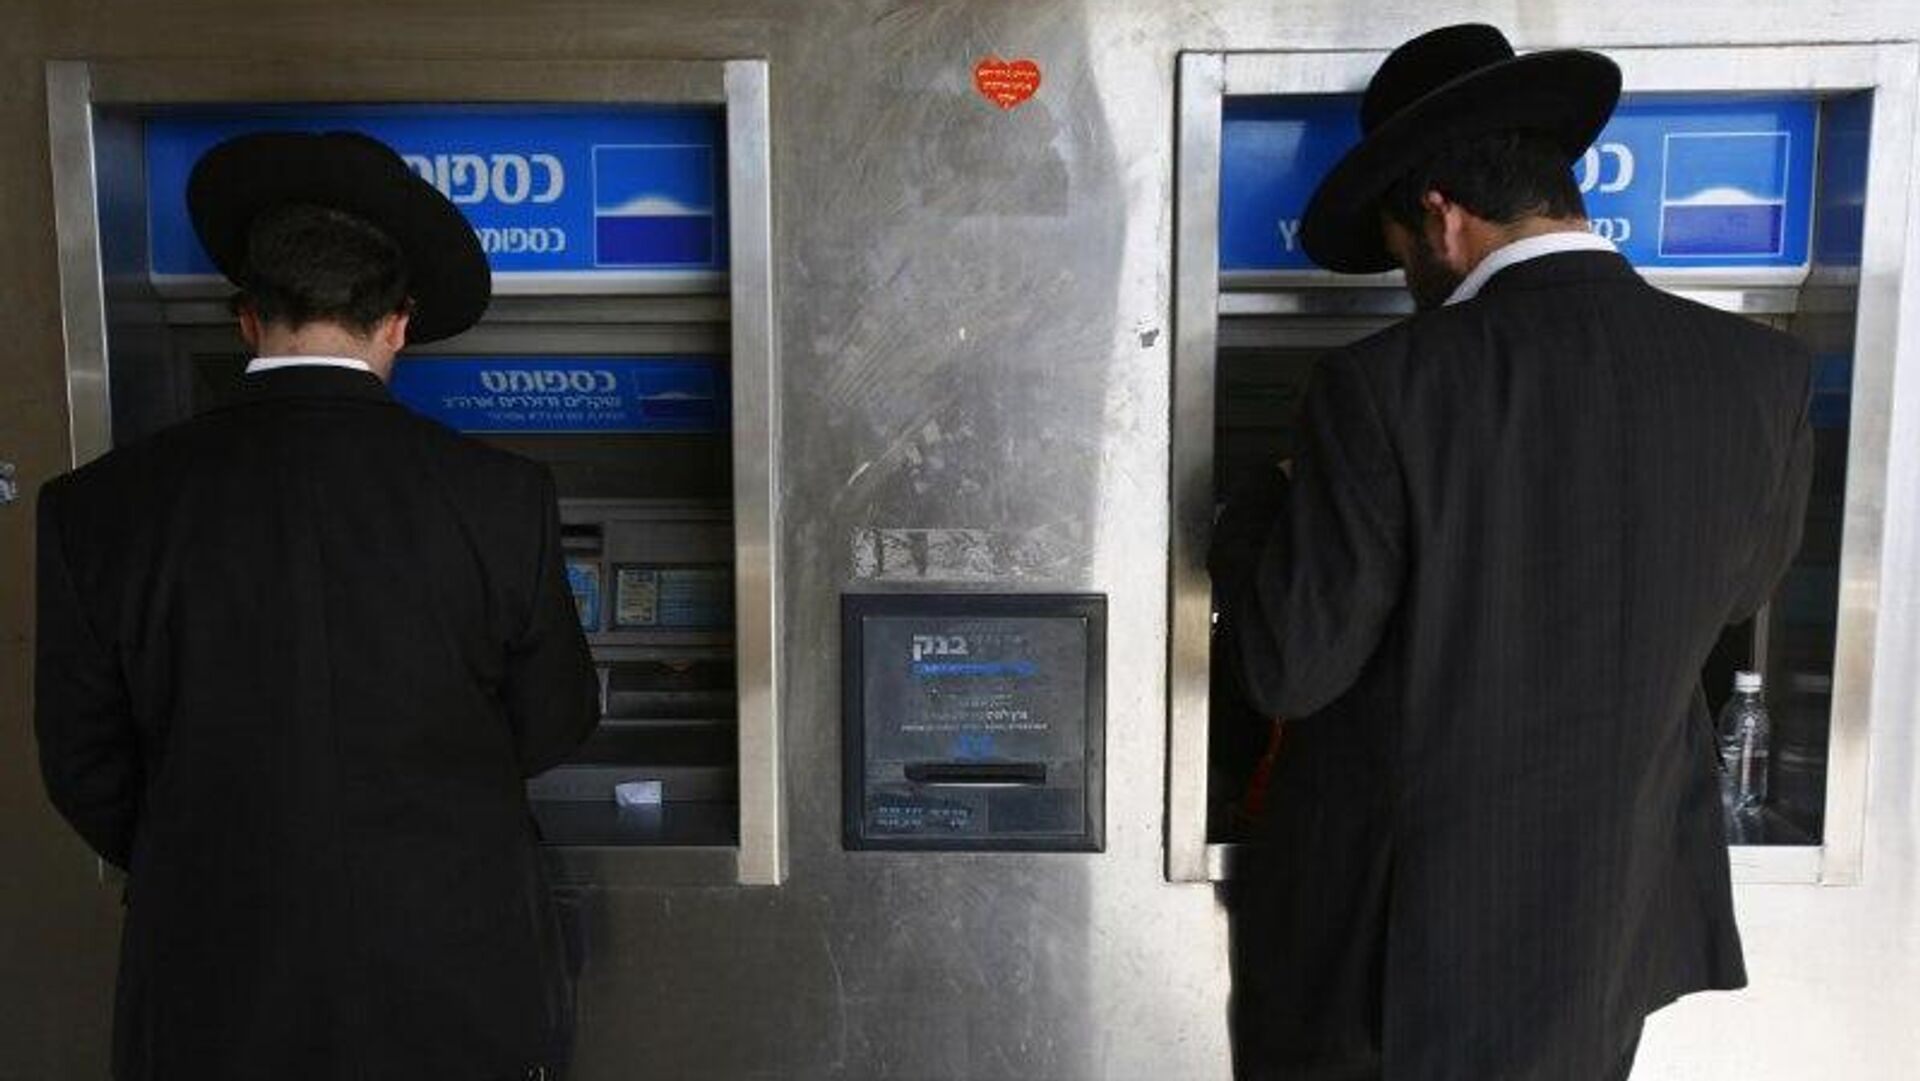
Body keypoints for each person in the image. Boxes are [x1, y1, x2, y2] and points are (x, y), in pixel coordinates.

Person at [1211, 24, 1813, 1081]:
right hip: (1607, 939)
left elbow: (1291, 666)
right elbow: (1740, 593)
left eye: (1398, 248)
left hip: (1393, 962)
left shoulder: (1383, 385)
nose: (1407, 278)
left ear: (1440, 214)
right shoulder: (1760, 374)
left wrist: (1262, 504)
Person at [35, 131, 600, 1080]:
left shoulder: (96, 508)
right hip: (452, 979)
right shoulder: (501, 497)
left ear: (248, 318)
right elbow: (556, 718)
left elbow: (84, 764)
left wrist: (214, 848)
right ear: (398, 325)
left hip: (212, 984)